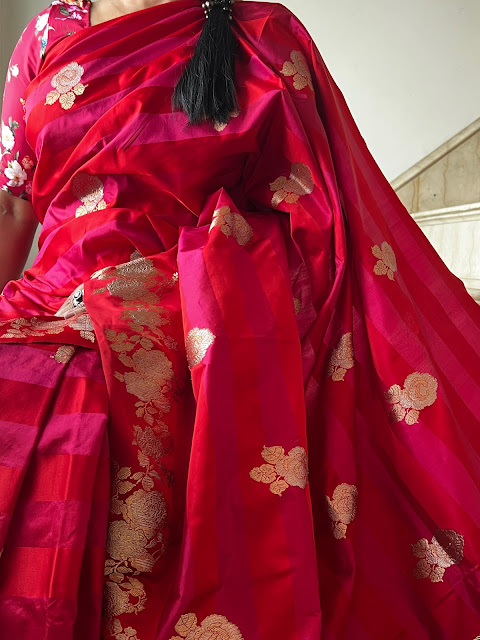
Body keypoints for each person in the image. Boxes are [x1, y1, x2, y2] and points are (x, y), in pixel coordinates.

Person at [0, 0, 479, 638]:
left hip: (181, 300)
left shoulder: (257, 33)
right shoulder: (48, 33)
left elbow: (321, 213)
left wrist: (193, 281)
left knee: (86, 390)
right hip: (47, 293)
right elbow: (14, 205)